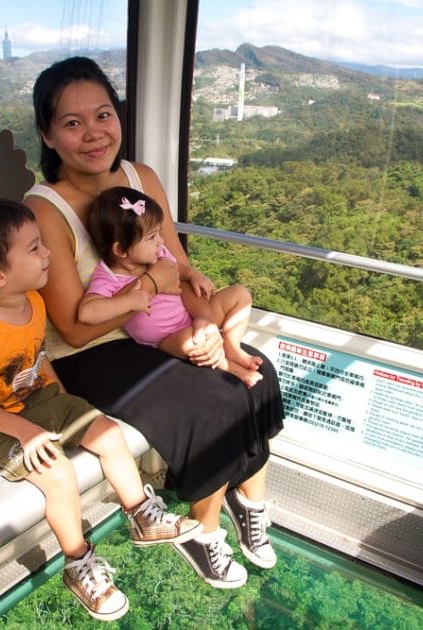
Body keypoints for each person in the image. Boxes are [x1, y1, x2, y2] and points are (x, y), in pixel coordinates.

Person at [24, 56, 284, 589]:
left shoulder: (140, 178)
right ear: (48, 136)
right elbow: (73, 329)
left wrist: (206, 321)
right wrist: (148, 289)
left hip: (156, 327)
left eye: (103, 115)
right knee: (215, 400)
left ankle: (249, 503)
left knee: (258, 374)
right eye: (72, 124)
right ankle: (203, 533)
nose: (94, 134)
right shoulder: (45, 210)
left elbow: (178, 263)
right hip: (93, 349)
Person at [0, 198, 201, 622]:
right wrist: (25, 432)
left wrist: (69, 406)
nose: (48, 254)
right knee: (60, 475)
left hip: (43, 402)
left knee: (110, 434)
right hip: (0, 424)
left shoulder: (33, 302)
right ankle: (79, 563)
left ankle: (141, 515)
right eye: (34, 249)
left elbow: (38, 361)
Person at [78, 186, 264, 388]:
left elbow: (178, 270)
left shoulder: (157, 255)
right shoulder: (108, 277)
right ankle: (232, 368)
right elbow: (88, 312)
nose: (161, 241)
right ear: (121, 249)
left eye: (158, 233)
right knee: (194, 342)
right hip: (167, 339)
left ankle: (231, 345)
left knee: (240, 294)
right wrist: (127, 301)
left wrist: (193, 275)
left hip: (191, 316)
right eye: (151, 237)